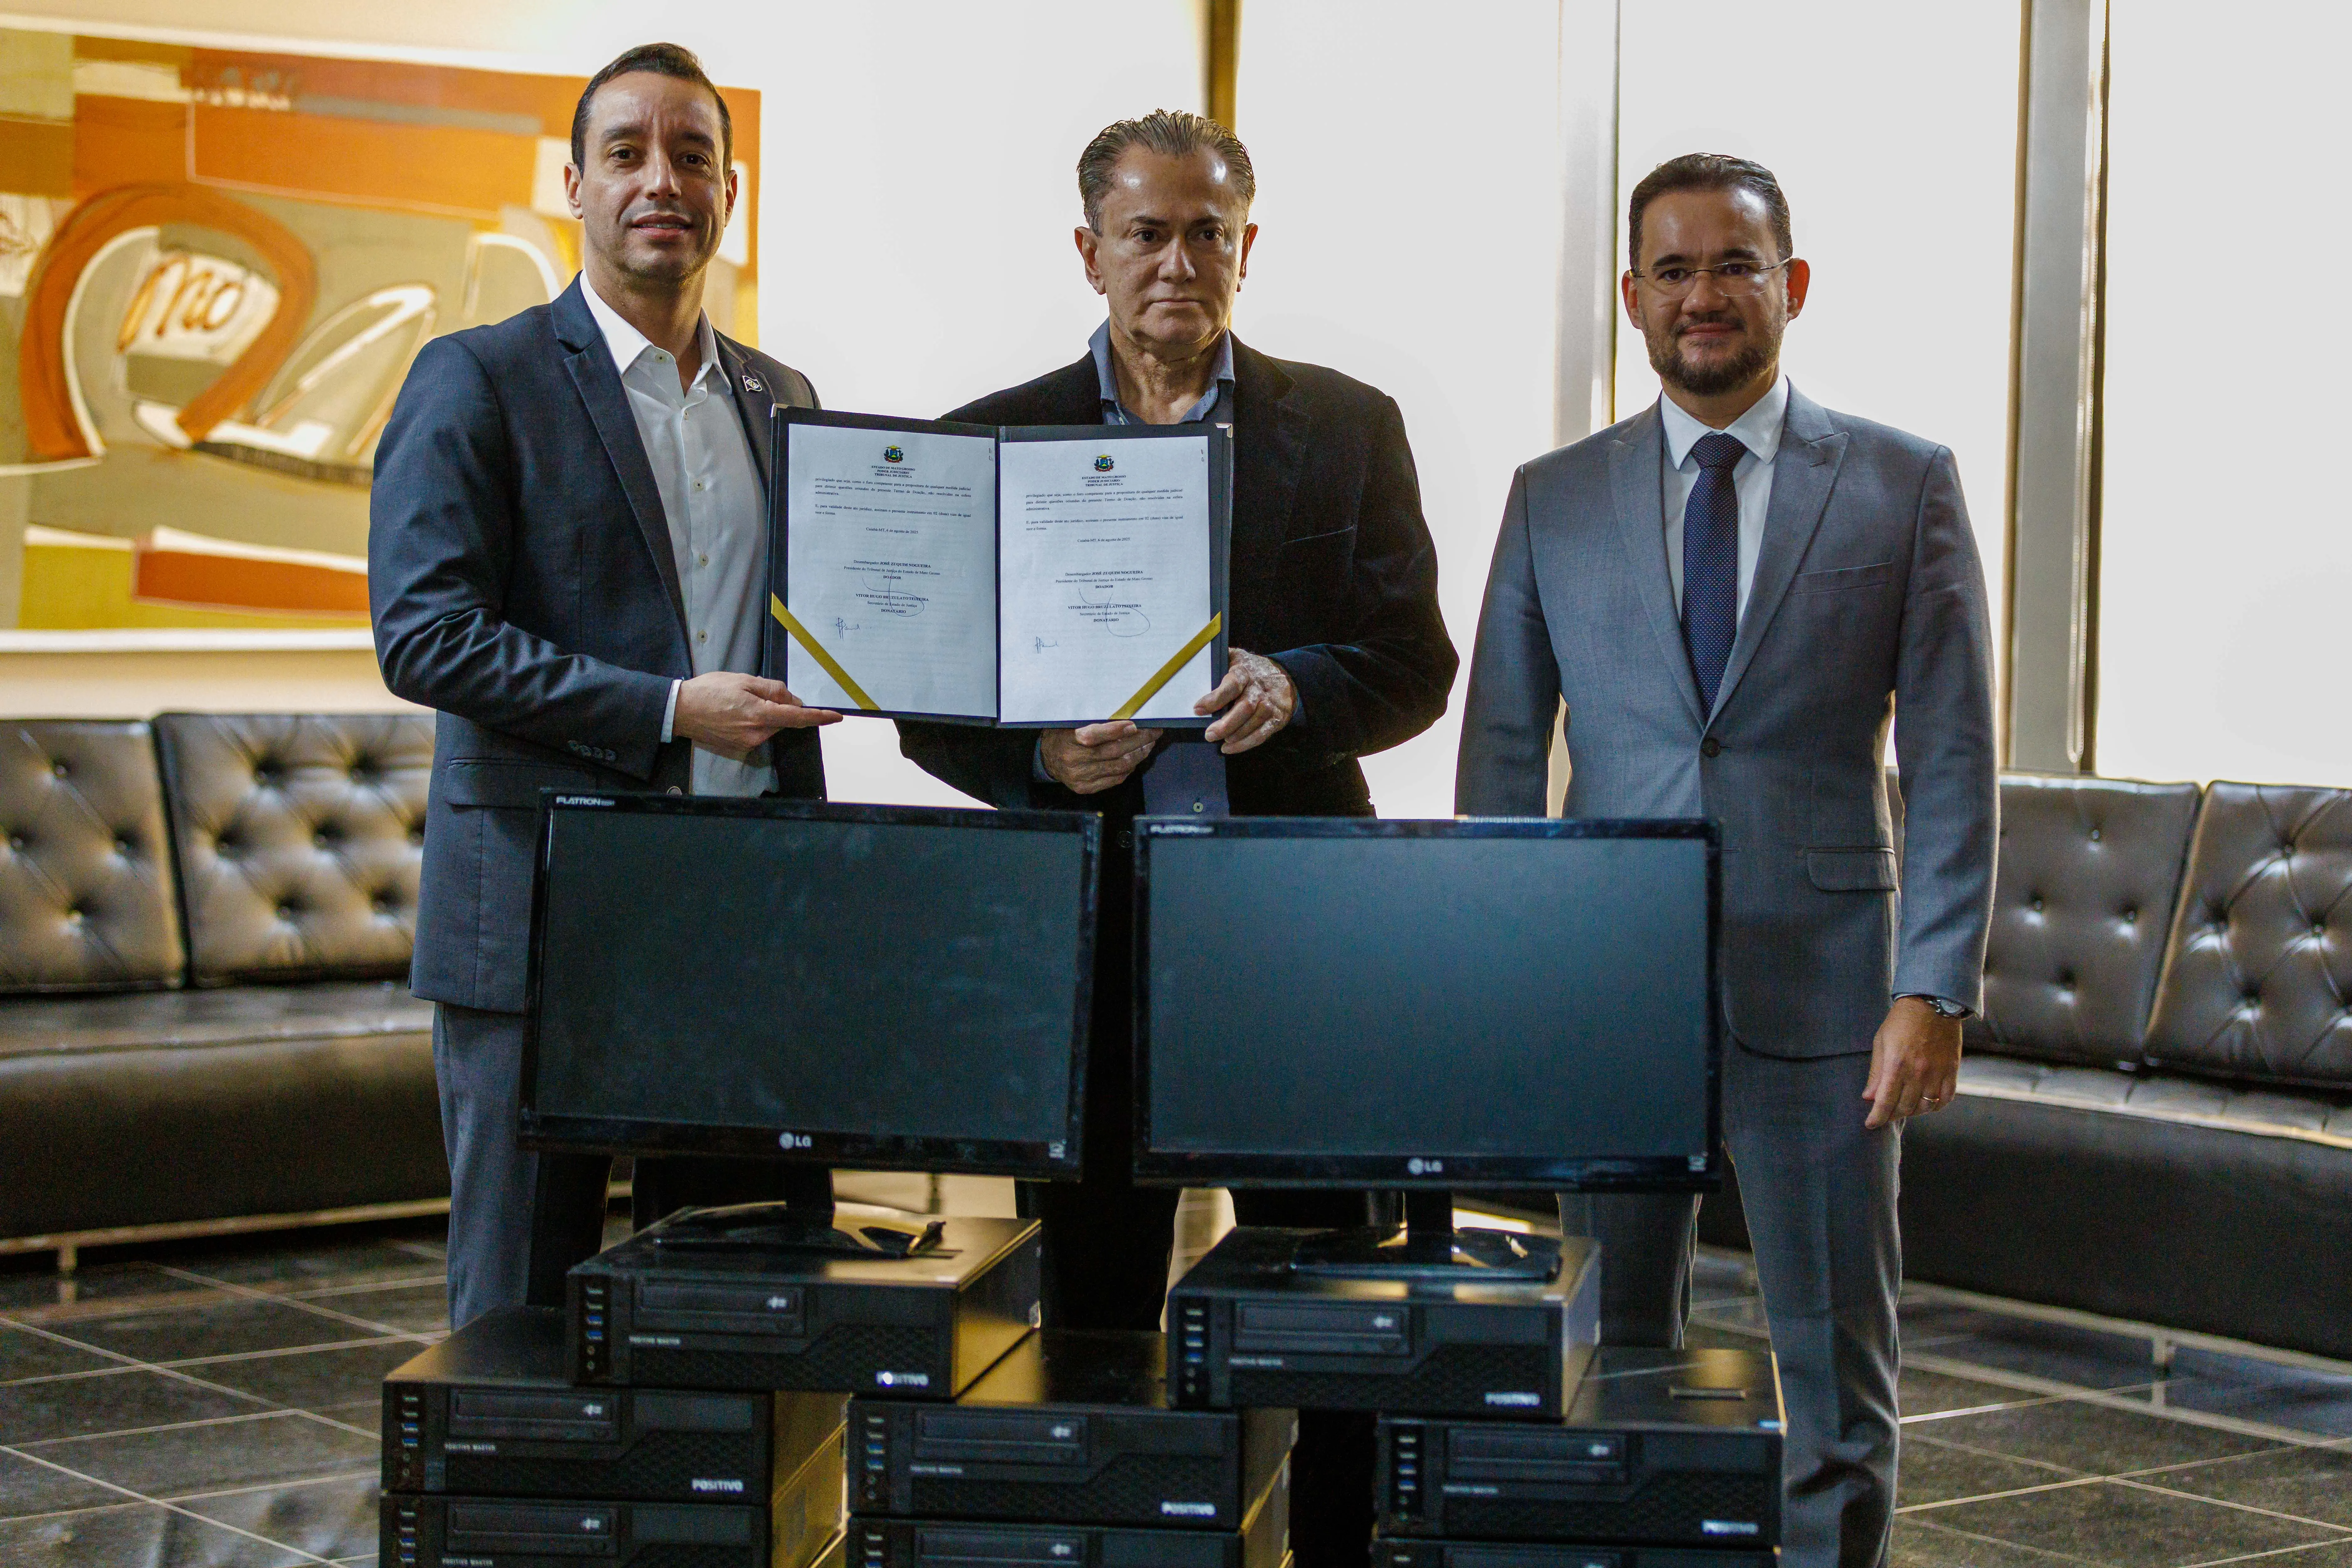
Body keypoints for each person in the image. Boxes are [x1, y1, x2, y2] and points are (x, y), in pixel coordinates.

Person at [897, 110, 1457, 1567]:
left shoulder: (1348, 426)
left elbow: (1416, 662)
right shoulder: (989, 440)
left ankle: (1331, 1540)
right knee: (1090, 1299)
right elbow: (925, 698)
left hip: (1291, 934)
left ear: (1248, 248)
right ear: (1090, 252)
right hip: (1085, 933)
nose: (1178, 261)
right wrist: (1035, 754)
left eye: (1210, 231)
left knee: (1325, 1280)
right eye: (1147, 232)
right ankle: (1107, 1544)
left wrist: (1299, 686)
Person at [1454, 153, 1997, 1568]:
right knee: (1606, 1342)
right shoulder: (1550, 494)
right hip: (1603, 984)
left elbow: (1950, 758)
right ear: (1632, 297)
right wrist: (1502, 972)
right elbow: (1505, 751)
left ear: (1792, 285)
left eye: (1736, 265)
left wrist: (1934, 985)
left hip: (1827, 987)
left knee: (1832, 1351)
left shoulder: (1902, 484)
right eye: (1675, 270)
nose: (1705, 296)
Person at [370, 42, 841, 1329]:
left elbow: (822, 625)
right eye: (626, 151)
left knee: (738, 1292)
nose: (661, 180)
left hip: (740, 915)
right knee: (517, 1304)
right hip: (537, 913)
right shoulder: (477, 377)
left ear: (730, 194)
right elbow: (425, 637)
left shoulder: (784, 398)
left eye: (694, 154)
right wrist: (669, 710)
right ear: (570, 185)